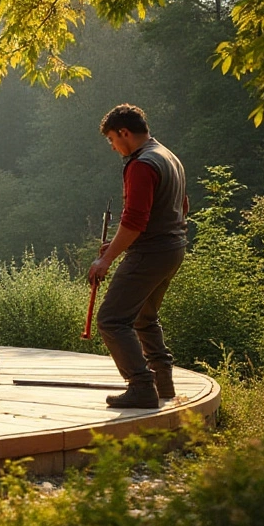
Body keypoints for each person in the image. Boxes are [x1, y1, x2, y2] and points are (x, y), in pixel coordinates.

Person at [88, 104, 188, 408]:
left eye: (112, 140)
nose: (113, 147)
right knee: (145, 317)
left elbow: (134, 221)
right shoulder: (168, 156)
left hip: (151, 252)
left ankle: (142, 386)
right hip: (173, 249)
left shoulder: (141, 164)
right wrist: (118, 244)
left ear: (124, 133)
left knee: (111, 320)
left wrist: (106, 260)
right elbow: (182, 206)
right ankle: (163, 383)